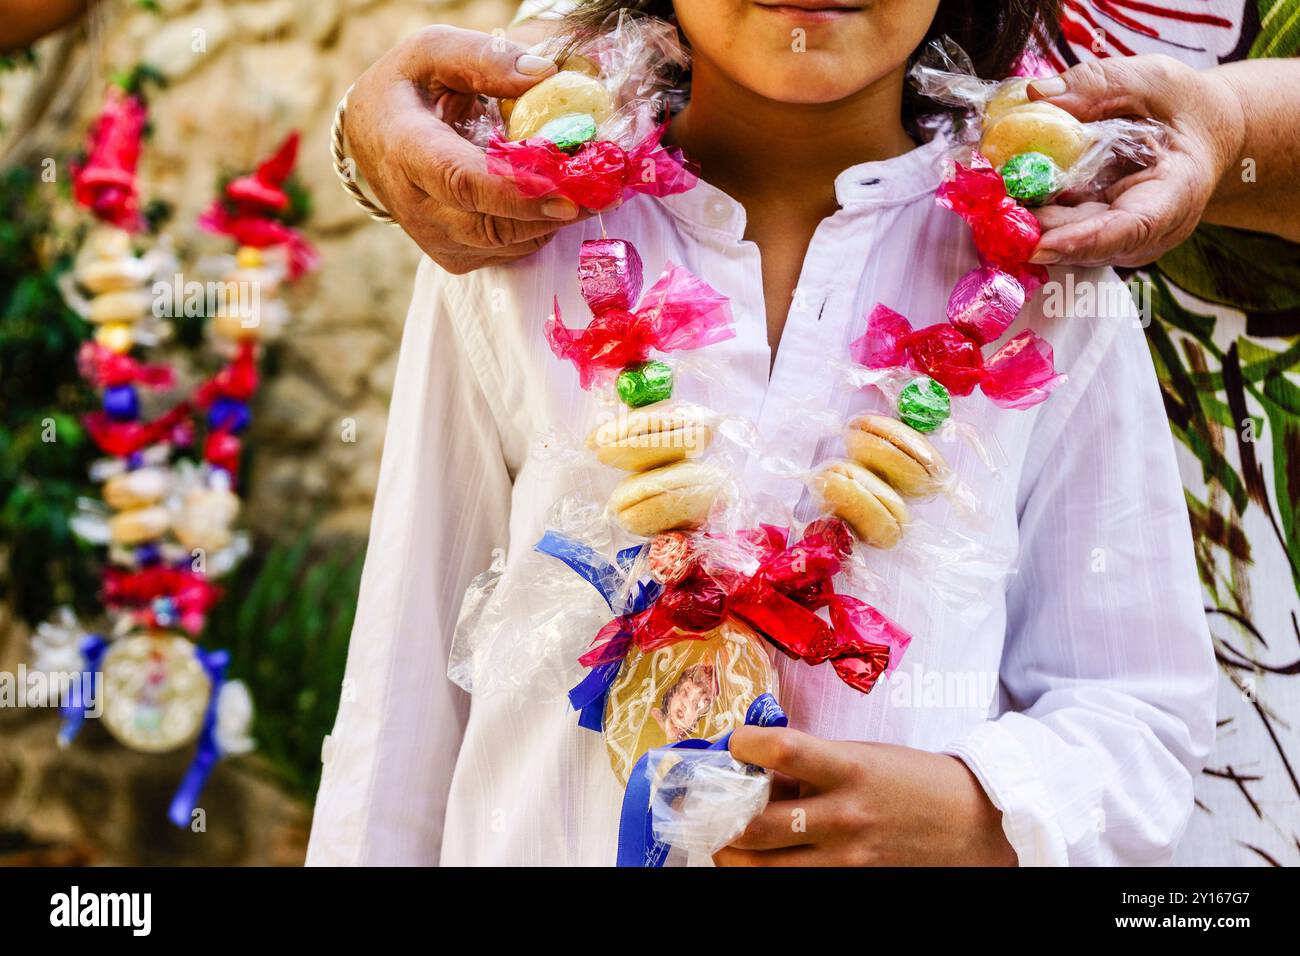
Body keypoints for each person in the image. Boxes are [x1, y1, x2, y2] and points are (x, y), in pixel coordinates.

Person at [307, 0, 1217, 867]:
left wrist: (976, 812)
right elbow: (402, 698)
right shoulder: (509, 242)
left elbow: (1140, 714)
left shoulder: (1053, 279)